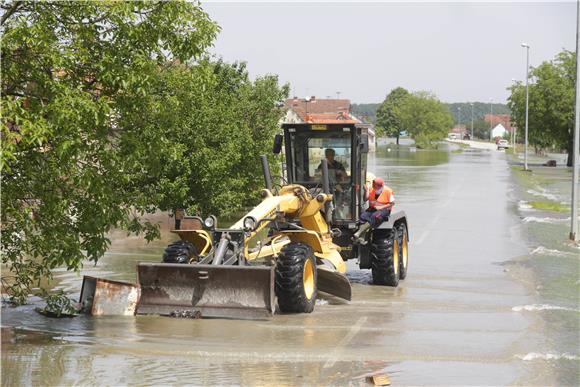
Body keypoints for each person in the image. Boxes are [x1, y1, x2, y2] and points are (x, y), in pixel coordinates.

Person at [352, 177, 395, 242]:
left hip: (384, 209)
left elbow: (392, 203)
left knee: (374, 216)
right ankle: (362, 238)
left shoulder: (388, 190)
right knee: (363, 216)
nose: (372, 185)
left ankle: (359, 233)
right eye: (373, 184)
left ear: (380, 186)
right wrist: (366, 191)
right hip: (372, 208)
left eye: (374, 184)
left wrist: (381, 207)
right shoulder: (371, 188)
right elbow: (365, 199)